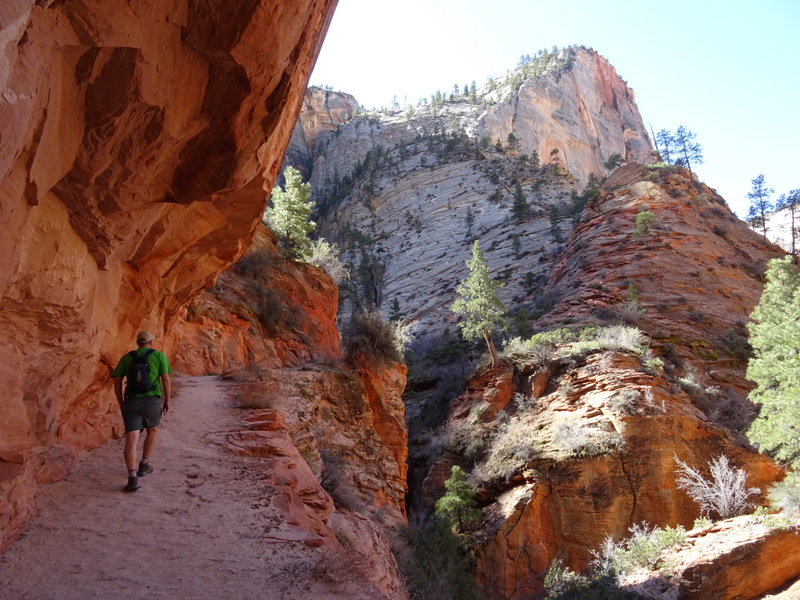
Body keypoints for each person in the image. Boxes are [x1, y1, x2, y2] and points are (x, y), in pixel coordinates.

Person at [112, 330, 172, 492]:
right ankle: (144, 465)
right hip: (152, 401)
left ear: (137, 342)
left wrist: (121, 401)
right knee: (152, 430)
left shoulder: (127, 357)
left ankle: (132, 477)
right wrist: (167, 400)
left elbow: (117, 380)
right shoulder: (159, 356)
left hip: (131, 401)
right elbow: (165, 379)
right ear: (151, 342)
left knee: (132, 438)